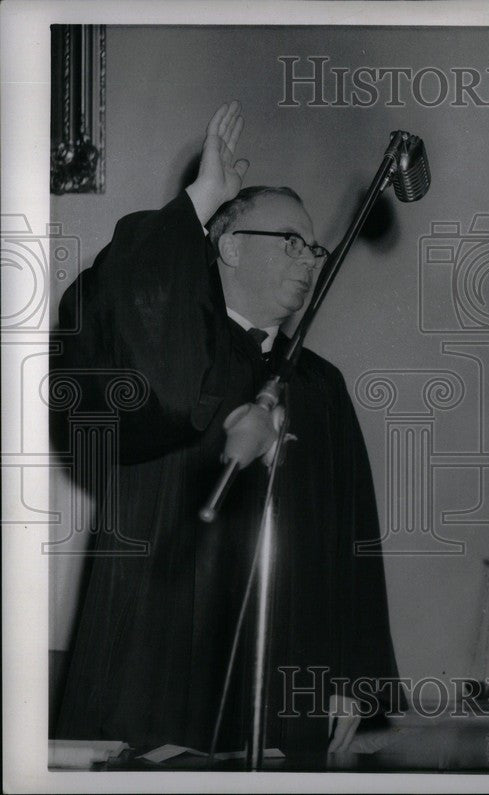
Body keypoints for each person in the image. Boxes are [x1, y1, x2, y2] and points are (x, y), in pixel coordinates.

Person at [51, 102, 400, 760]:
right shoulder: (175, 356)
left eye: (315, 246)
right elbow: (112, 311)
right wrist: (201, 200)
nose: (310, 259)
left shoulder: (320, 388)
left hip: (285, 680)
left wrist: (355, 675)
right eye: (291, 241)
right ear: (230, 245)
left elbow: (354, 538)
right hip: (157, 673)